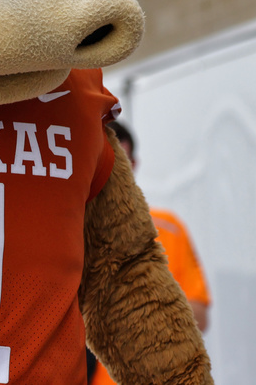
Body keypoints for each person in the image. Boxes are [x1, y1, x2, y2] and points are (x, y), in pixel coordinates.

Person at [90, 122, 213, 385]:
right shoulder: (69, 230)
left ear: (133, 165)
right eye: (104, 162)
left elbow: (200, 315)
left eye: (121, 161)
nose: (112, 173)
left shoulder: (169, 227)